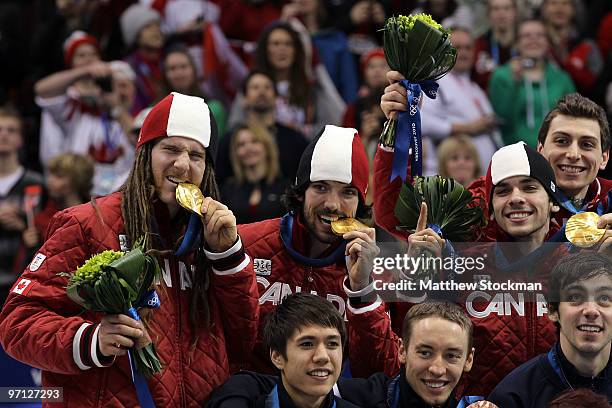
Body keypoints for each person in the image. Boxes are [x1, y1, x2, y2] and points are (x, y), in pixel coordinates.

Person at [0, 92, 259, 406]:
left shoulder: (214, 238)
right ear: (145, 154)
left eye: (196, 155)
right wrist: (91, 341)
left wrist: (228, 257)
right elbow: (17, 324)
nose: (182, 164)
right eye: (171, 149)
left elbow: (243, 341)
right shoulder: (86, 224)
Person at [236, 124, 391, 378]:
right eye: (320, 187)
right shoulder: (247, 243)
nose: (332, 204)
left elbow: (379, 370)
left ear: (360, 202)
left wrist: (363, 286)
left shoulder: (378, 263)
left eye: (348, 192)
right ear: (301, 192)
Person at [378, 78, 611, 243]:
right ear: (540, 148)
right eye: (561, 141)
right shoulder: (488, 197)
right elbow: (398, 217)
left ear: (604, 158)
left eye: (587, 144)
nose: (573, 153)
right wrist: (400, 131)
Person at [208, 300, 496, 408]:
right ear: (402, 350)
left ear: (469, 359)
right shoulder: (371, 394)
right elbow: (287, 384)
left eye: (452, 356)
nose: (436, 368)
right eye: (425, 351)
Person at [488, 252, 612, 407]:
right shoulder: (513, 397)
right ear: (552, 310)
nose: (591, 310)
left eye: (605, 298)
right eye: (575, 297)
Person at [209, 292, 359, 408]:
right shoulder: (237, 399)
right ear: (277, 357)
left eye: (332, 344)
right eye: (307, 344)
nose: (322, 356)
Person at [35, 58, 137, 197]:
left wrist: (116, 108)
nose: (117, 92)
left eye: (123, 85)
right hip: (80, 198)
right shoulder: (78, 113)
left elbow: (139, 140)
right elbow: (43, 90)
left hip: (123, 199)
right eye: (111, 85)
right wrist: (85, 71)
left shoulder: (143, 117)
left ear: (134, 89)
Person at [419, 27, 501, 175]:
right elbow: (422, 122)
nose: (463, 53)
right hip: (445, 181)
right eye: (457, 47)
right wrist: (467, 128)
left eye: (468, 48)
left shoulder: (475, 87)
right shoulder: (435, 81)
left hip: (476, 178)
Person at [488, 18, 576, 147]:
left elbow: (572, 119)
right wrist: (513, 83)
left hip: (554, 153)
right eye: (527, 36)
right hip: (514, 154)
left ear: (548, 42)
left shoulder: (562, 78)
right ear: (517, 43)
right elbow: (500, 117)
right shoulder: (502, 76)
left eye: (540, 35)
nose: (533, 40)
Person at [218, 70, 309, 184]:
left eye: (267, 87)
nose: (261, 92)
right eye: (255, 87)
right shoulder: (229, 141)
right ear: (244, 99)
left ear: (277, 98)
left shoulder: (295, 140)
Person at [14, 153, 94, 274]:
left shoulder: (94, 214)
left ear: (76, 180)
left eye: (59, 176)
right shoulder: (40, 220)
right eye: (50, 175)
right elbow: (24, 269)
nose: (50, 180)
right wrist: (29, 246)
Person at [0, 107, 44, 305]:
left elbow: (48, 228)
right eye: (0, 130)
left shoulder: (36, 183)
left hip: (21, 278)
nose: (4, 135)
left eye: (11, 130)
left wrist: (24, 229)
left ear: (21, 139)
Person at [221, 124, 289, 223]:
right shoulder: (228, 189)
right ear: (236, 153)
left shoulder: (284, 188)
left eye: (255, 141)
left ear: (267, 147)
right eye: (241, 144)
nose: (248, 147)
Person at [161, 45, 227, 137]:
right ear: (165, 75)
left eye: (183, 67)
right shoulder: (156, 109)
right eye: (172, 68)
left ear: (194, 70)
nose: (179, 73)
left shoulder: (212, 109)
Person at [120, 3, 164, 112]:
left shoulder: (170, 59)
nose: (156, 31)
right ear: (135, 35)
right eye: (148, 27)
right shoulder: (127, 67)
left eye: (157, 25)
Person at [473, 0, 518, 91]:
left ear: (515, 12)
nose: (501, 14)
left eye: (506, 8)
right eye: (496, 9)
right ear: (488, 14)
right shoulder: (478, 45)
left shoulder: (526, 44)